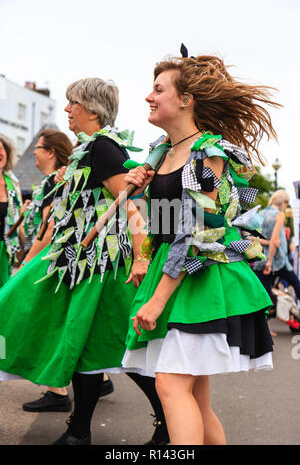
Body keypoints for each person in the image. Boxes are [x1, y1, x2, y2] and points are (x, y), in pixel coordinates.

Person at [122, 50, 279, 445]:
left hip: (202, 278)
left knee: (172, 387)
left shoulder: (208, 154)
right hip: (176, 278)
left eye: (158, 89)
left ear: (185, 99)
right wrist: (142, 249)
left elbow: (195, 232)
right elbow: (163, 225)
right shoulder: (163, 154)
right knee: (192, 395)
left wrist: (157, 300)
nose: (148, 97)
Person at [0, 77, 168, 445]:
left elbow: (133, 203)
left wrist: (142, 258)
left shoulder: (104, 147)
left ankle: (161, 425)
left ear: (92, 110)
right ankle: (81, 430)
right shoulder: (92, 147)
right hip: (79, 262)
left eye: (72, 102)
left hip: (98, 267)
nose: (66, 109)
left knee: (110, 350)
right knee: (92, 349)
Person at [17, 129, 74, 412]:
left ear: (50, 152)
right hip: (62, 260)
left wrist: (26, 263)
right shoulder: (58, 180)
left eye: (38, 148)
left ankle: (57, 390)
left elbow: (49, 228)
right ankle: (97, 379)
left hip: (49, 261)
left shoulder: (55, 181)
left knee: (42, 321)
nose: (34, 153)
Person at [253, 190, 300, 329]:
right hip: (277, 260)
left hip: (260, 258)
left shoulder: (260, 214)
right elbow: (275, 241)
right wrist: (270, 262)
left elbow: (253, 237)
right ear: (283, 203)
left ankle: (263, 329)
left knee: (264, 294)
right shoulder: (279, 215)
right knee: (295, 283)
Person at [0, 134, 22, 287]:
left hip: (5, 249)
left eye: (0, 149)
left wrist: (29, 246)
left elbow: (18, 220)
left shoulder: (12, 184)